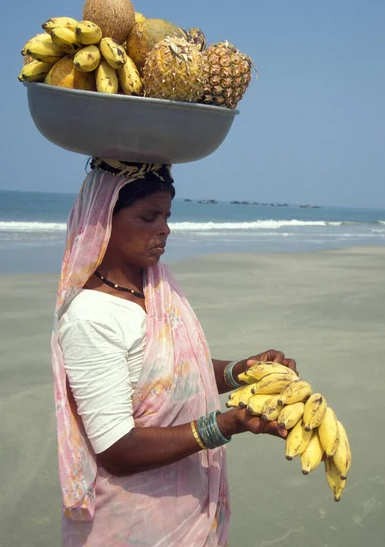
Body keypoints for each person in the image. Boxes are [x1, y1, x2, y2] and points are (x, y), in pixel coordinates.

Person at [52, 158, 297, 547]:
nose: (164, 230)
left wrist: (244, 370)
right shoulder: (92, 317)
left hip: (186, 507)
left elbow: (178, 373)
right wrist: (225, 424)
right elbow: (117, 449)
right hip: (135, 526)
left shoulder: (156, 289)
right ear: (102, 221)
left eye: (166, 216)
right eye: (148, 217)